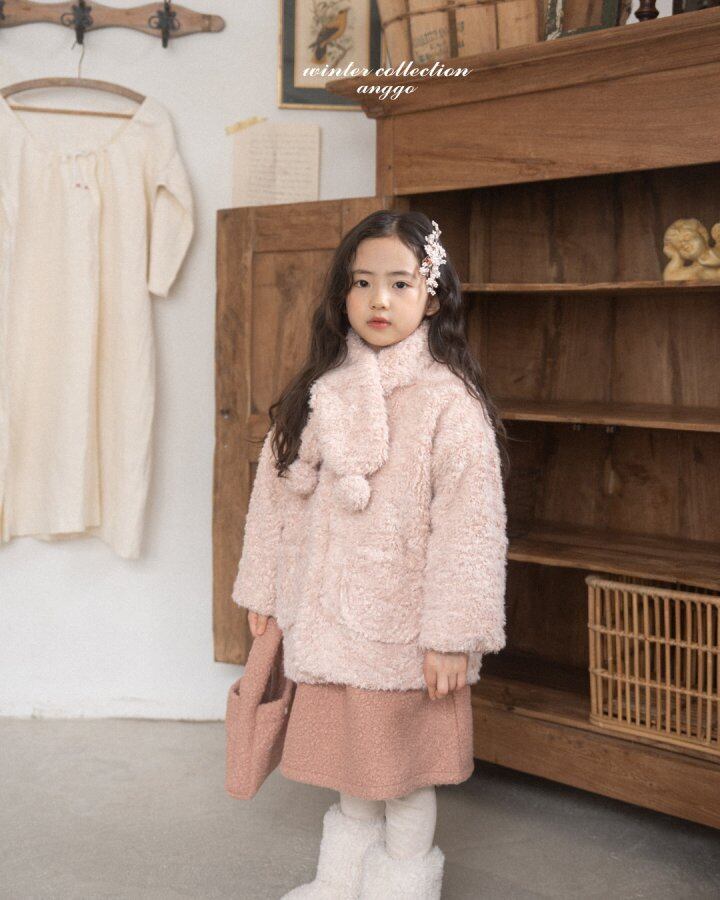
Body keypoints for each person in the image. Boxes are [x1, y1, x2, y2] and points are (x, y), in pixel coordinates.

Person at [231, 209, 509, 899]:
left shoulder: (450, 405)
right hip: (329, 621)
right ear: (343, 294)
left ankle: (401, 886)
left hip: (404, 632)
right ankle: (339, 882)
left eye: (399, 283)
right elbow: (274, 500)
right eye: (361, 283)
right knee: (351, 773)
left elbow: (472, 531)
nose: (378, 299)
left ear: (432, 297)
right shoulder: (320, 393)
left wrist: (452, 636)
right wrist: (263, 591)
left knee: (404, 780)